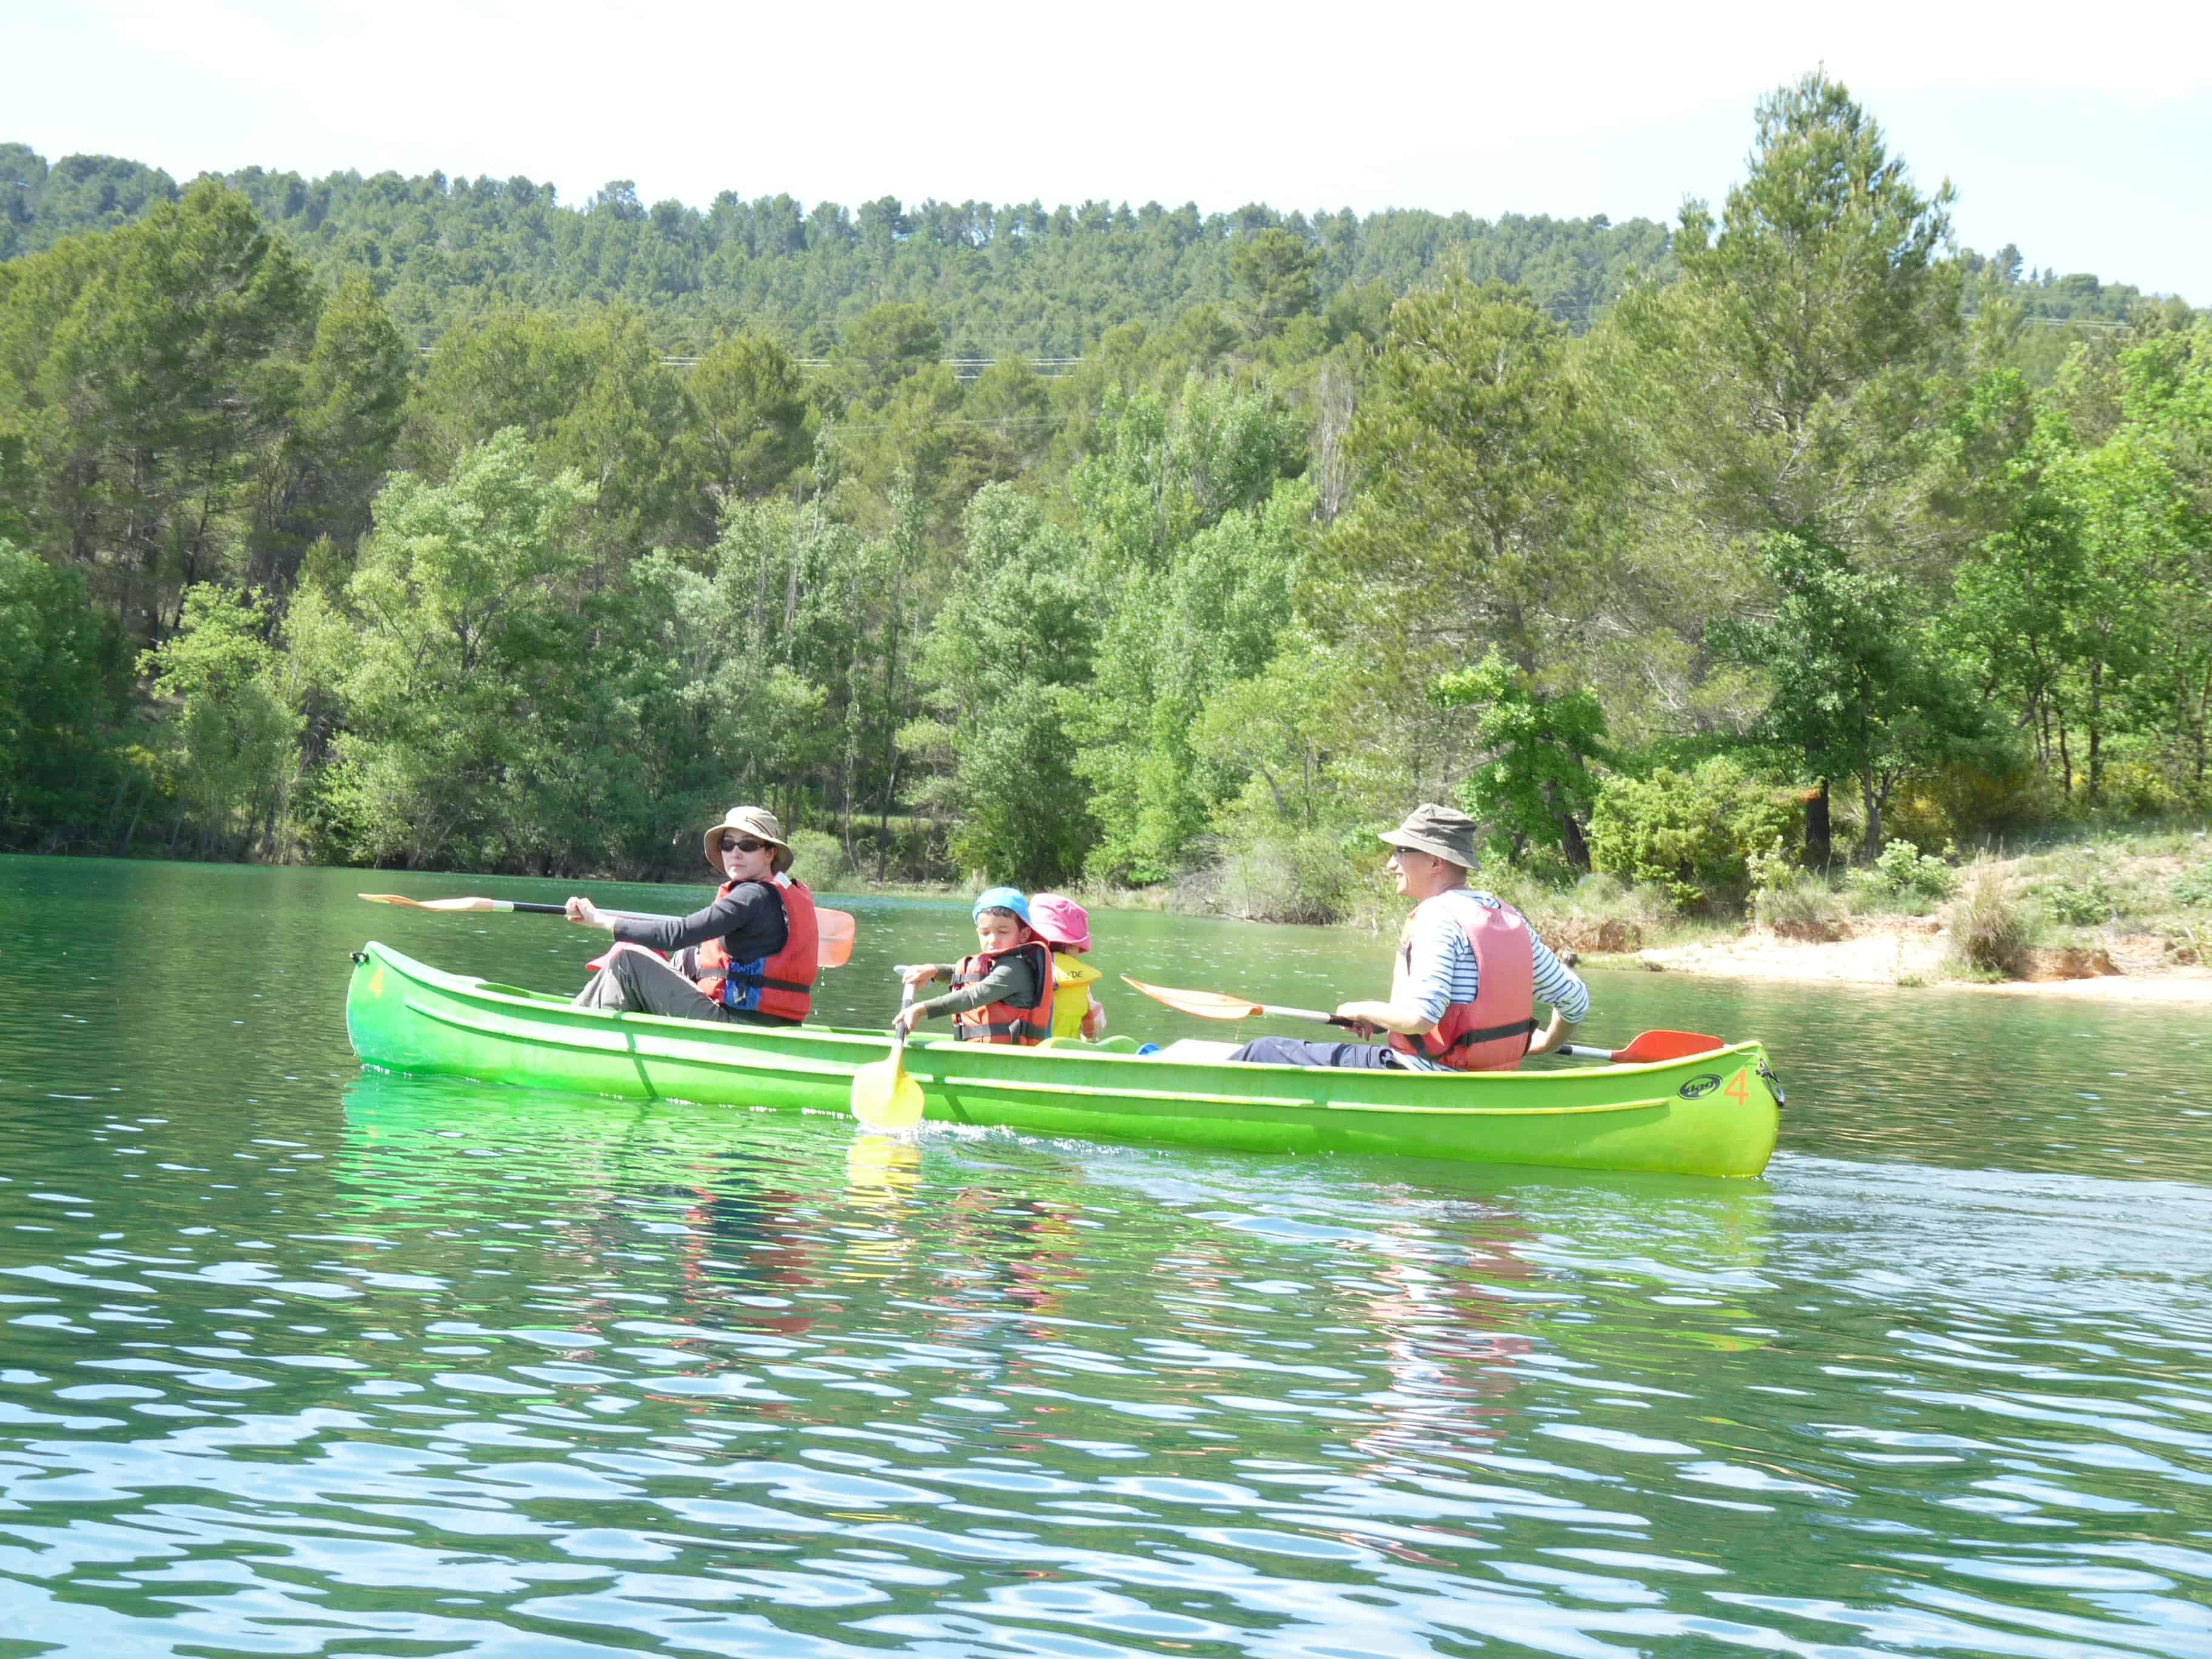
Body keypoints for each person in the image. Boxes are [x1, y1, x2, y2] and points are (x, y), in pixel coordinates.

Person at [1230, 803, 1588, 1070]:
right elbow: (1575, 1000)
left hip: (1420, 1075)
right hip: (1483, 1081)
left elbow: (1421, 1018)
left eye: (1401, 851)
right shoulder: (1507, 918)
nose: (1391, 863)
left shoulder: (1437, 916)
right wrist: (1543, 1045)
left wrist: (1358, 1009)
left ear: (1436, 863)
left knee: (1259, 1051)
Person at [565, 806, 818, 1026]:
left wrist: (599, 920)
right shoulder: (776, 894)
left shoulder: (751, 897)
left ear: (769, 853)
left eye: (748, 845)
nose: (735, 852)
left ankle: (575, 1031)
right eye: (728, 845)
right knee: (687, 958)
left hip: (739, 1027)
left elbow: (677, 934)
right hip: (771, 1023)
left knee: (628, 962)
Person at [895, 887, 1054, 1045]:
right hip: (984, 1053)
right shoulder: (995, 963)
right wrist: (933, 971)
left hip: (1008, 1059)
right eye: (985, 933)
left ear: (1023, 935)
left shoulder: (1015, 969)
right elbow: (966, 975)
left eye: (1003, 932)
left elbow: (975, 995)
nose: (992, 940)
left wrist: (922, 1009)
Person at [1030, 892, 1108, 1041]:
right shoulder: (1080, 981)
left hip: (1026, 1051)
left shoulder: (1018, 968)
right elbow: (1094, 1027)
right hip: (1065, 1053)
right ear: (1074, 947)